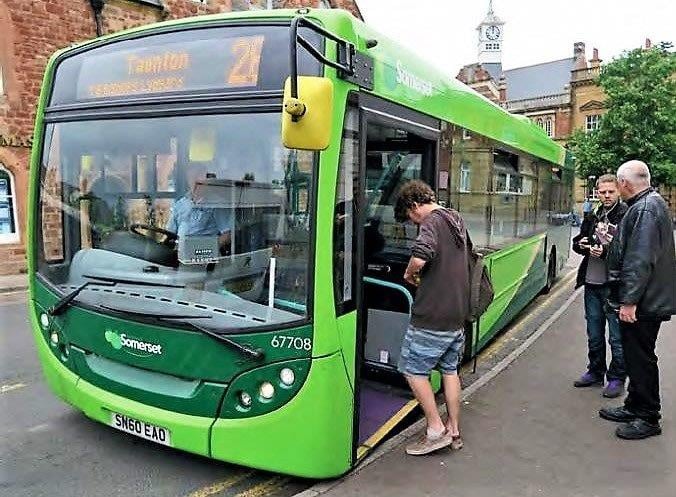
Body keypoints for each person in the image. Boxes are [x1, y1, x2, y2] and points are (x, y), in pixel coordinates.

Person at [599, 160, 676, 440]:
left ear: (624, 184)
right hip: (647, 299)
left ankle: (647, 416)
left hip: (643, 303)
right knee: (636, 355)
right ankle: (634, 405)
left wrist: (628, 301)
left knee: (641, 357)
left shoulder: (644, 209)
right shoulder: (650, 203)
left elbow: (639, 260)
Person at [394, 180, 470, 455]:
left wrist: (408, 273)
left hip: (433, 314)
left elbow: (421, 256)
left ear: (415, 206)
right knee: (449, 371)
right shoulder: (455, 218)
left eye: (410, 216)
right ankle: (454, 430)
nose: (413, 222)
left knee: (412, 370)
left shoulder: (431, 222)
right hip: (457, 313)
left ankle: (435, 429)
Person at [571, 174, 628, 398]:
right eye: (602, 192)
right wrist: (583, 245)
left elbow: (628, 251)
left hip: (613, 286)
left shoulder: (625, 215)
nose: (605, 196)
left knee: (616, 337)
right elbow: (579, 242)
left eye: (610, 192)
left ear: (618, 191)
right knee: (594, 333)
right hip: (592, 283)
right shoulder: (593, 214)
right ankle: (595, 371)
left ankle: (616, 378)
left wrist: (604, 252)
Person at [166, 165, 233, 254]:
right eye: (192, 177)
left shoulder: (217, 204)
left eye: (199, 176)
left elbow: (228, 235)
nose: (195, 181)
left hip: (205, 260)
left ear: (207, 180)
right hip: (179, 257)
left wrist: (201, 250)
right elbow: (170, 233)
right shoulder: (180, 204)